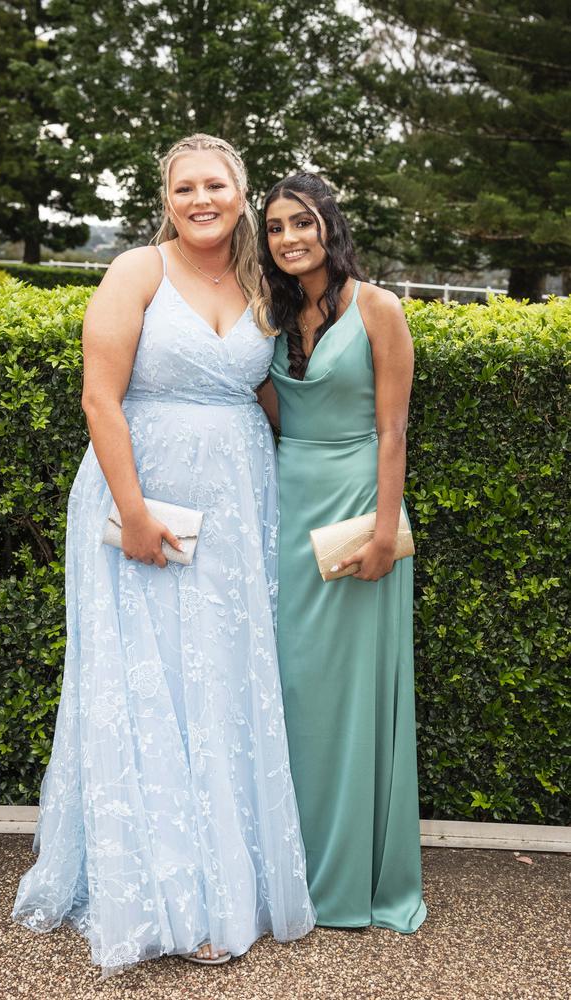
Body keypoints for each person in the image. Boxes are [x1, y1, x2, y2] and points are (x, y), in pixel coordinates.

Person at [12, 136, 315, 978]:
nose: (201, 198)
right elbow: (98, 396)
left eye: (216, 184)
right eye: (185, 188)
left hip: (241, 502)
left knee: (221, 681)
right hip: (141, 497)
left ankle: (226, 885)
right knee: (148, 682)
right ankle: (166, 898)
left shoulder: (264, 285)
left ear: (243, 192)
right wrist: (134, 513)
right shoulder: (137, 271)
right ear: (167, 197)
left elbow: (272, 395)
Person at [254, 172, 427, 933]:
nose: (289, 238)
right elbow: (265, 414)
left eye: (302, 223)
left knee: (349, 697)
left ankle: (351, 879)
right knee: (290, 688)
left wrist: (385, 530)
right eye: (275, 228)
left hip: (360, 512)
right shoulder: (271, 317)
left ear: (329, 225)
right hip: (287, 510)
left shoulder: (379, 307)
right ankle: (288, 866)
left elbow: (393, 430)